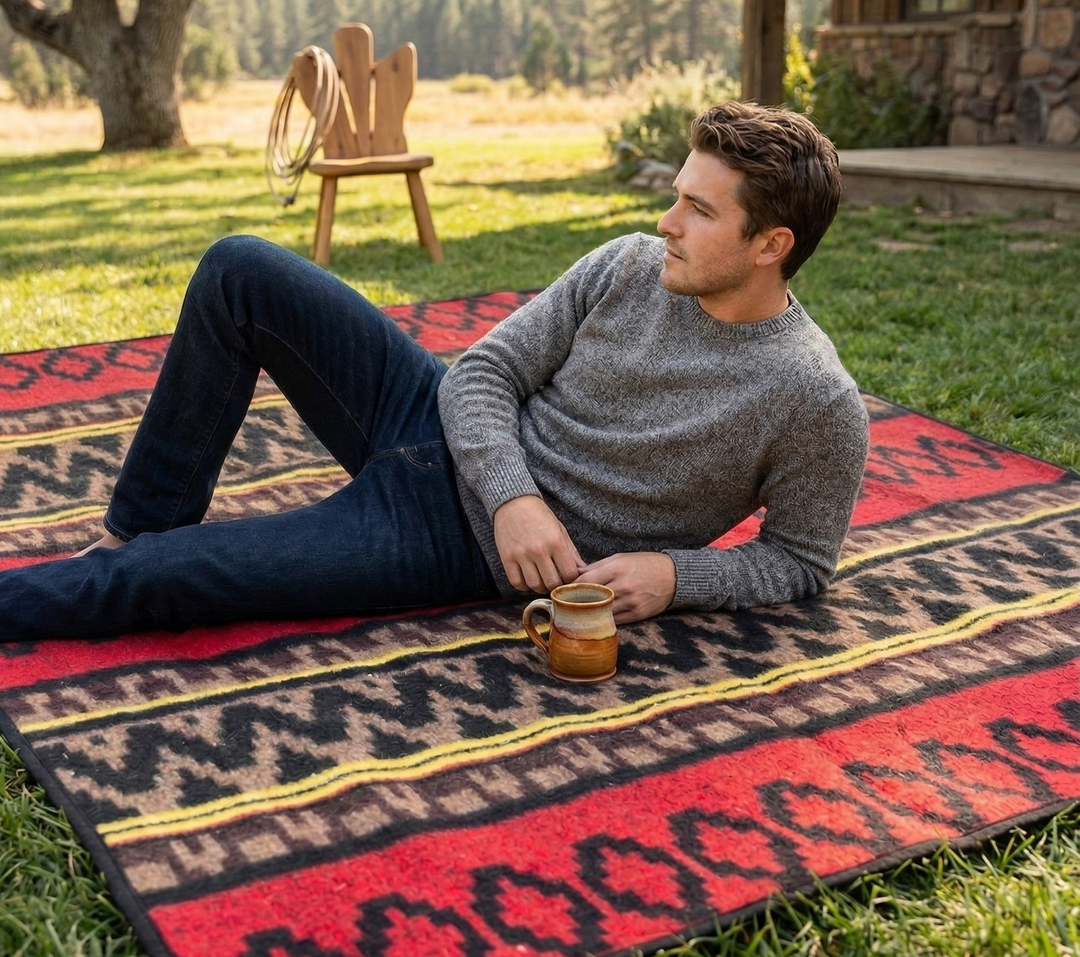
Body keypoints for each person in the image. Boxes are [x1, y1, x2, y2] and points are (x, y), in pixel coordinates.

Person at [0, 101, 868, 642]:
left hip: (446, 543)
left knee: (161, 582)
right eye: (677, 194)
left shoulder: (812, 398)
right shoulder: (631, 264)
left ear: (770, 246)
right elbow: (483, 370)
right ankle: (130, 524)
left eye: (698, 209)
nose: (666, 220)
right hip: (432, 421)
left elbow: (797, 561)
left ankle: (115, 567)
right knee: (241, 269)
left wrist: (675, 577)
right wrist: (515, 495)